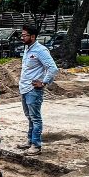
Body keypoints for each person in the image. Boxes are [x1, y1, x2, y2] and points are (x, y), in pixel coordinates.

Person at [17, 25, 58, 156]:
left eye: (24, 35)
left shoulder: (41, 50)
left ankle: (36, 145)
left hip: (33, 90)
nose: (22, 37)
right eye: (22, 35)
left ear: (33, 36)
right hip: (24, 88)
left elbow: (53, 68)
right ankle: (30, 141)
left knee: (35, 118)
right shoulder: (27, 49)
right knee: (29, 117)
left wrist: (44, 82)